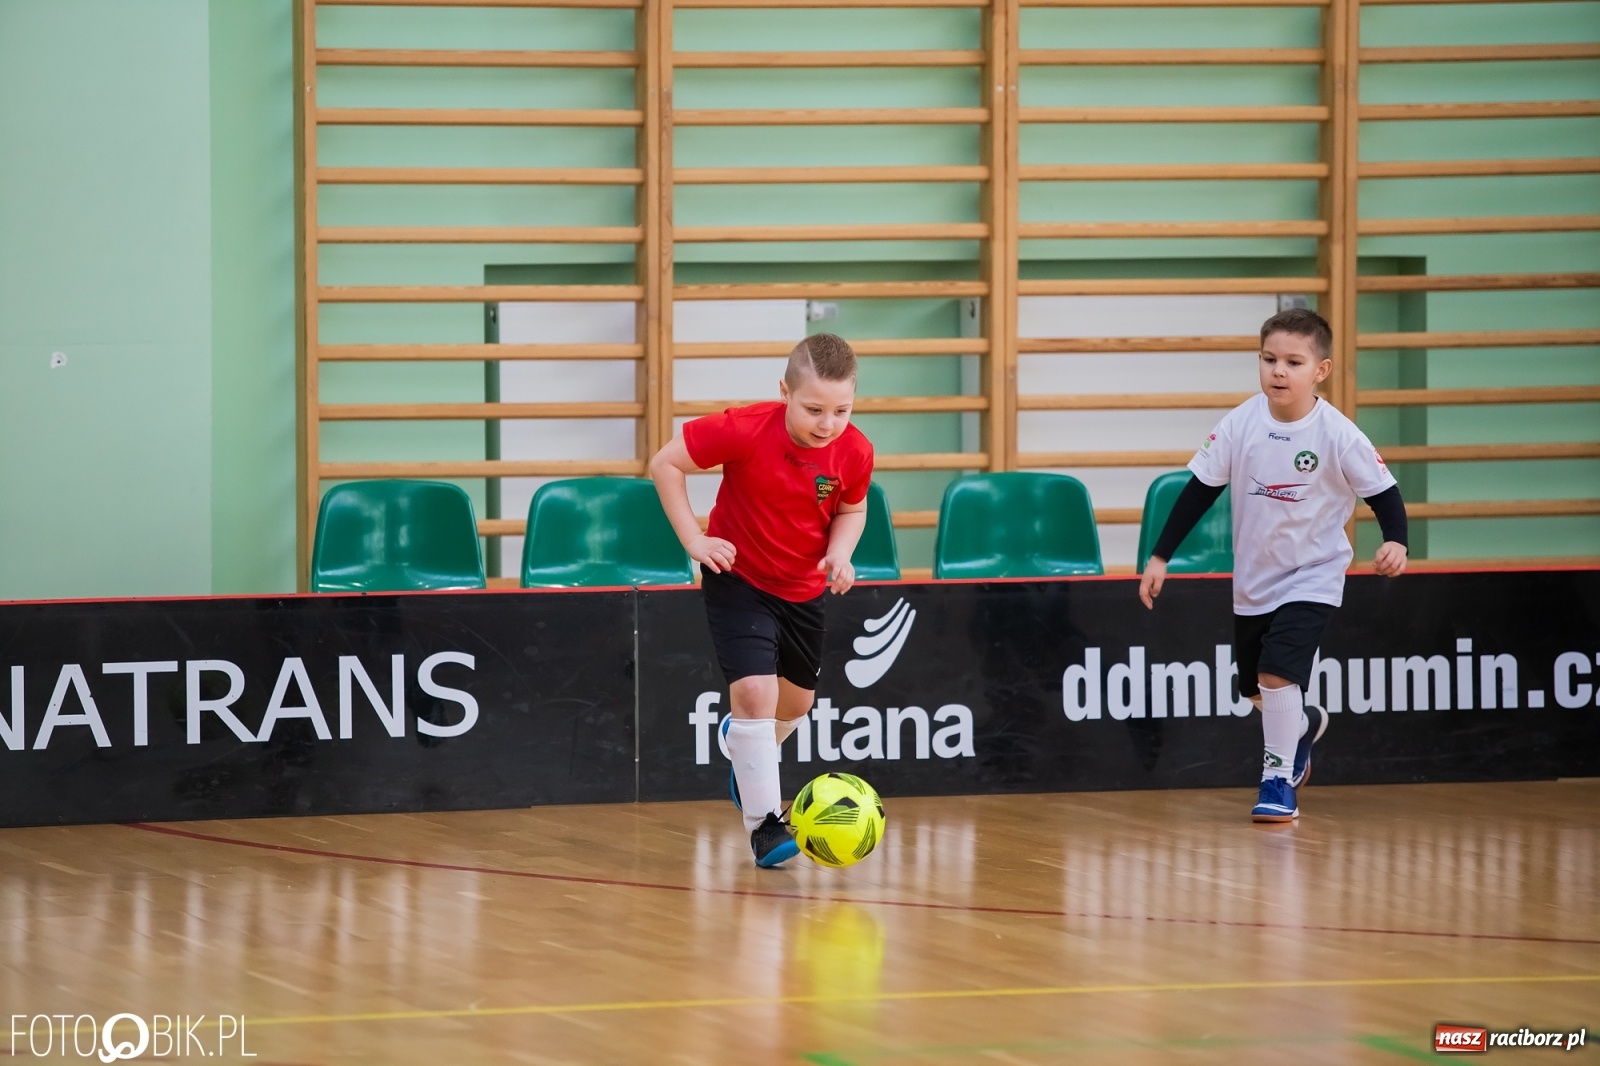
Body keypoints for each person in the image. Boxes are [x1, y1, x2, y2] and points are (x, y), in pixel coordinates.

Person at [1138, 308, 1409, 823]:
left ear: (1320, 371)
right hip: (1255, 581)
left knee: (1277, 673)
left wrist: (1397, 541)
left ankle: (1277, 780)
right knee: (1255, 691)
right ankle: (1303, 725)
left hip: (1315, 574)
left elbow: (1385, 493)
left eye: (1292, 361)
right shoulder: (1241, 422)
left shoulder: (1338, 434)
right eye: (1269, 359)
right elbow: (1199, 490)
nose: (1278, 371)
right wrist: (1160, 555)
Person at [649, 333, 874, 866]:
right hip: (740, 579)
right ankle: (765, 825)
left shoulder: (856, 449)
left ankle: (747, 746)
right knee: (754, 692)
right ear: (784, 392)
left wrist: (840, 555)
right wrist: (693, 541)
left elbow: (851, 510)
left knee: (796, 706)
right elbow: (665, 464)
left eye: (842, 410)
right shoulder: (744, 428)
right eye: (814, 409)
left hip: (803, 590)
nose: (828, 424)